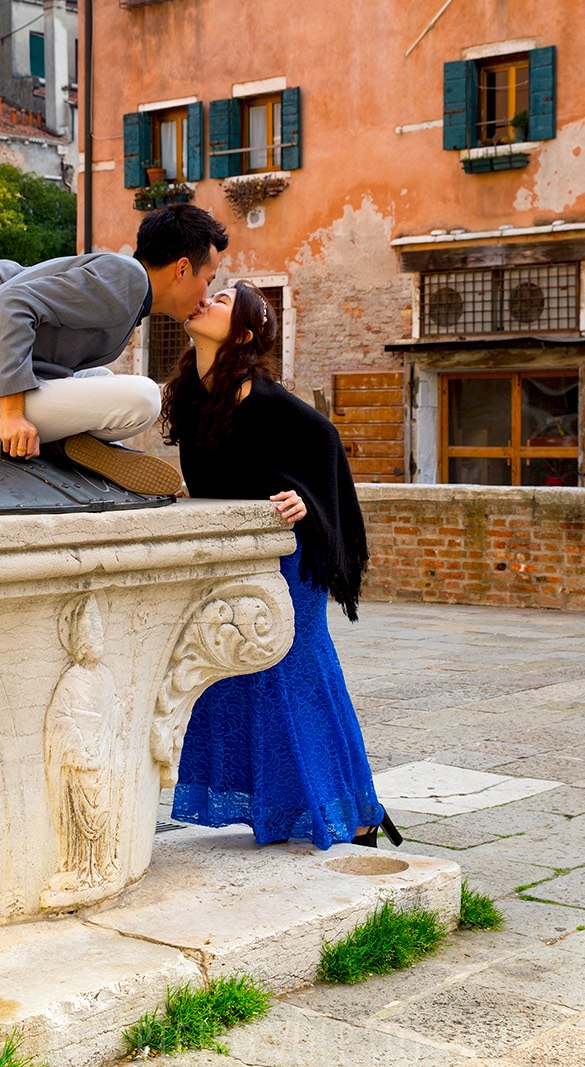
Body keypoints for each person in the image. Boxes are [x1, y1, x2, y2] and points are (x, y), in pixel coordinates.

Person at [159, 281, 401, 850]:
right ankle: (292, 806)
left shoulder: (262, 395)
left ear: (241, 333)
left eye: (221, 301)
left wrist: (305, 502)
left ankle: (358, 812)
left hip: (289, 562)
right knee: (233, 676)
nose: (207, 300)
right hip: (235, 558)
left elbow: (325, 441)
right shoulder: (193, 396)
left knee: (292, 678)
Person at [0, 204, 228, 496]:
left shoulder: (122, 280)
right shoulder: (126, 280)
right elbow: (15, 303)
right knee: (144, 397)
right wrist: (12, 413)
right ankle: (65, 446)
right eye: (208, 280)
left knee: (100, 377)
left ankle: (69, 444)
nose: (205, 296)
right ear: (182, 269)